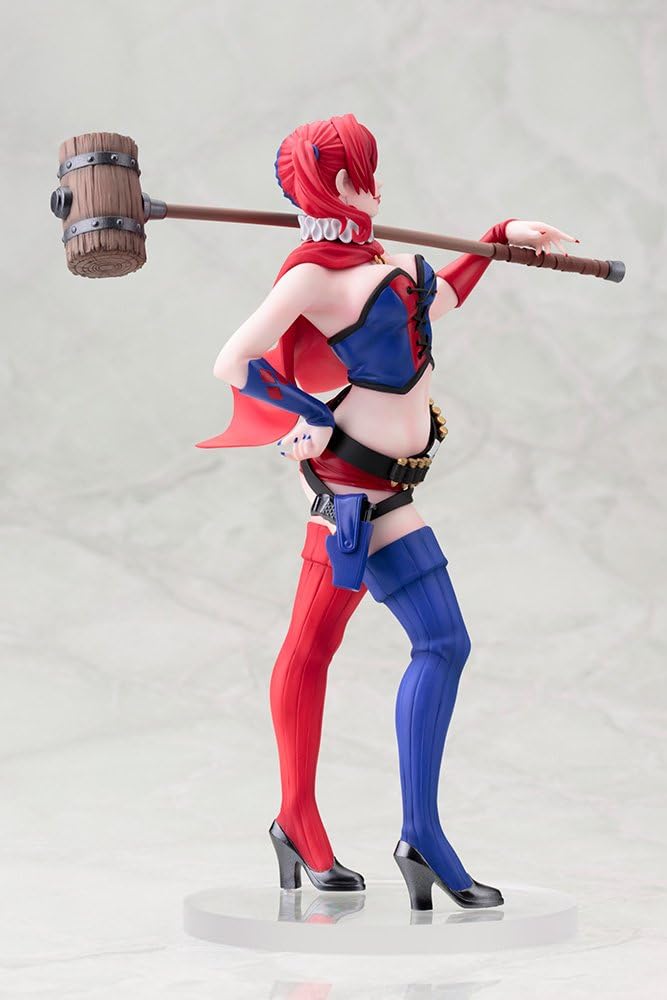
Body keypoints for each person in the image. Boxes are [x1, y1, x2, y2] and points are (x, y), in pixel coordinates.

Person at [197, 114, 576, 910]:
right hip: (348, 494)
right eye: (359, 170)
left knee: (435, 643)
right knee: (314, 650)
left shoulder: (388, 264)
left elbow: (441, 299)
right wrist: (308, 413)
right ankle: (300, 819)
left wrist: (498, 238)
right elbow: (233, 360)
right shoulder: (310, 276)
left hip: (393, 492)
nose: (371, 183)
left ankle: (417, 835)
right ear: (336, 181)